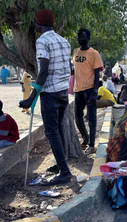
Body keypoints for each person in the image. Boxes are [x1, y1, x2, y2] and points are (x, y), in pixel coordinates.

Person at [18, 9, 72, 185]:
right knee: (58, 128)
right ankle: (60, 164)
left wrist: (32, 97)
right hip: (64, 91)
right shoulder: (64, 41)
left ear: (37, 24)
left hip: (50, 92)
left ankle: (64, 172)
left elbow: (44, 71)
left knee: (52, 131)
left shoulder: (42, 41)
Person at [73, 28, 103, 154]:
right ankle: (85, 139)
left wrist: (95, 91)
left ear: (88, 38)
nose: (80, 39)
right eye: (79, 36)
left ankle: (92, 144)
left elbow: (97, 73)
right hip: (77, 89)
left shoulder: (94, 53)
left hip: (89, 89)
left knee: (91, 118)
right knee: (77, 116)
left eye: (83, 37)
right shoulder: (75, 52)